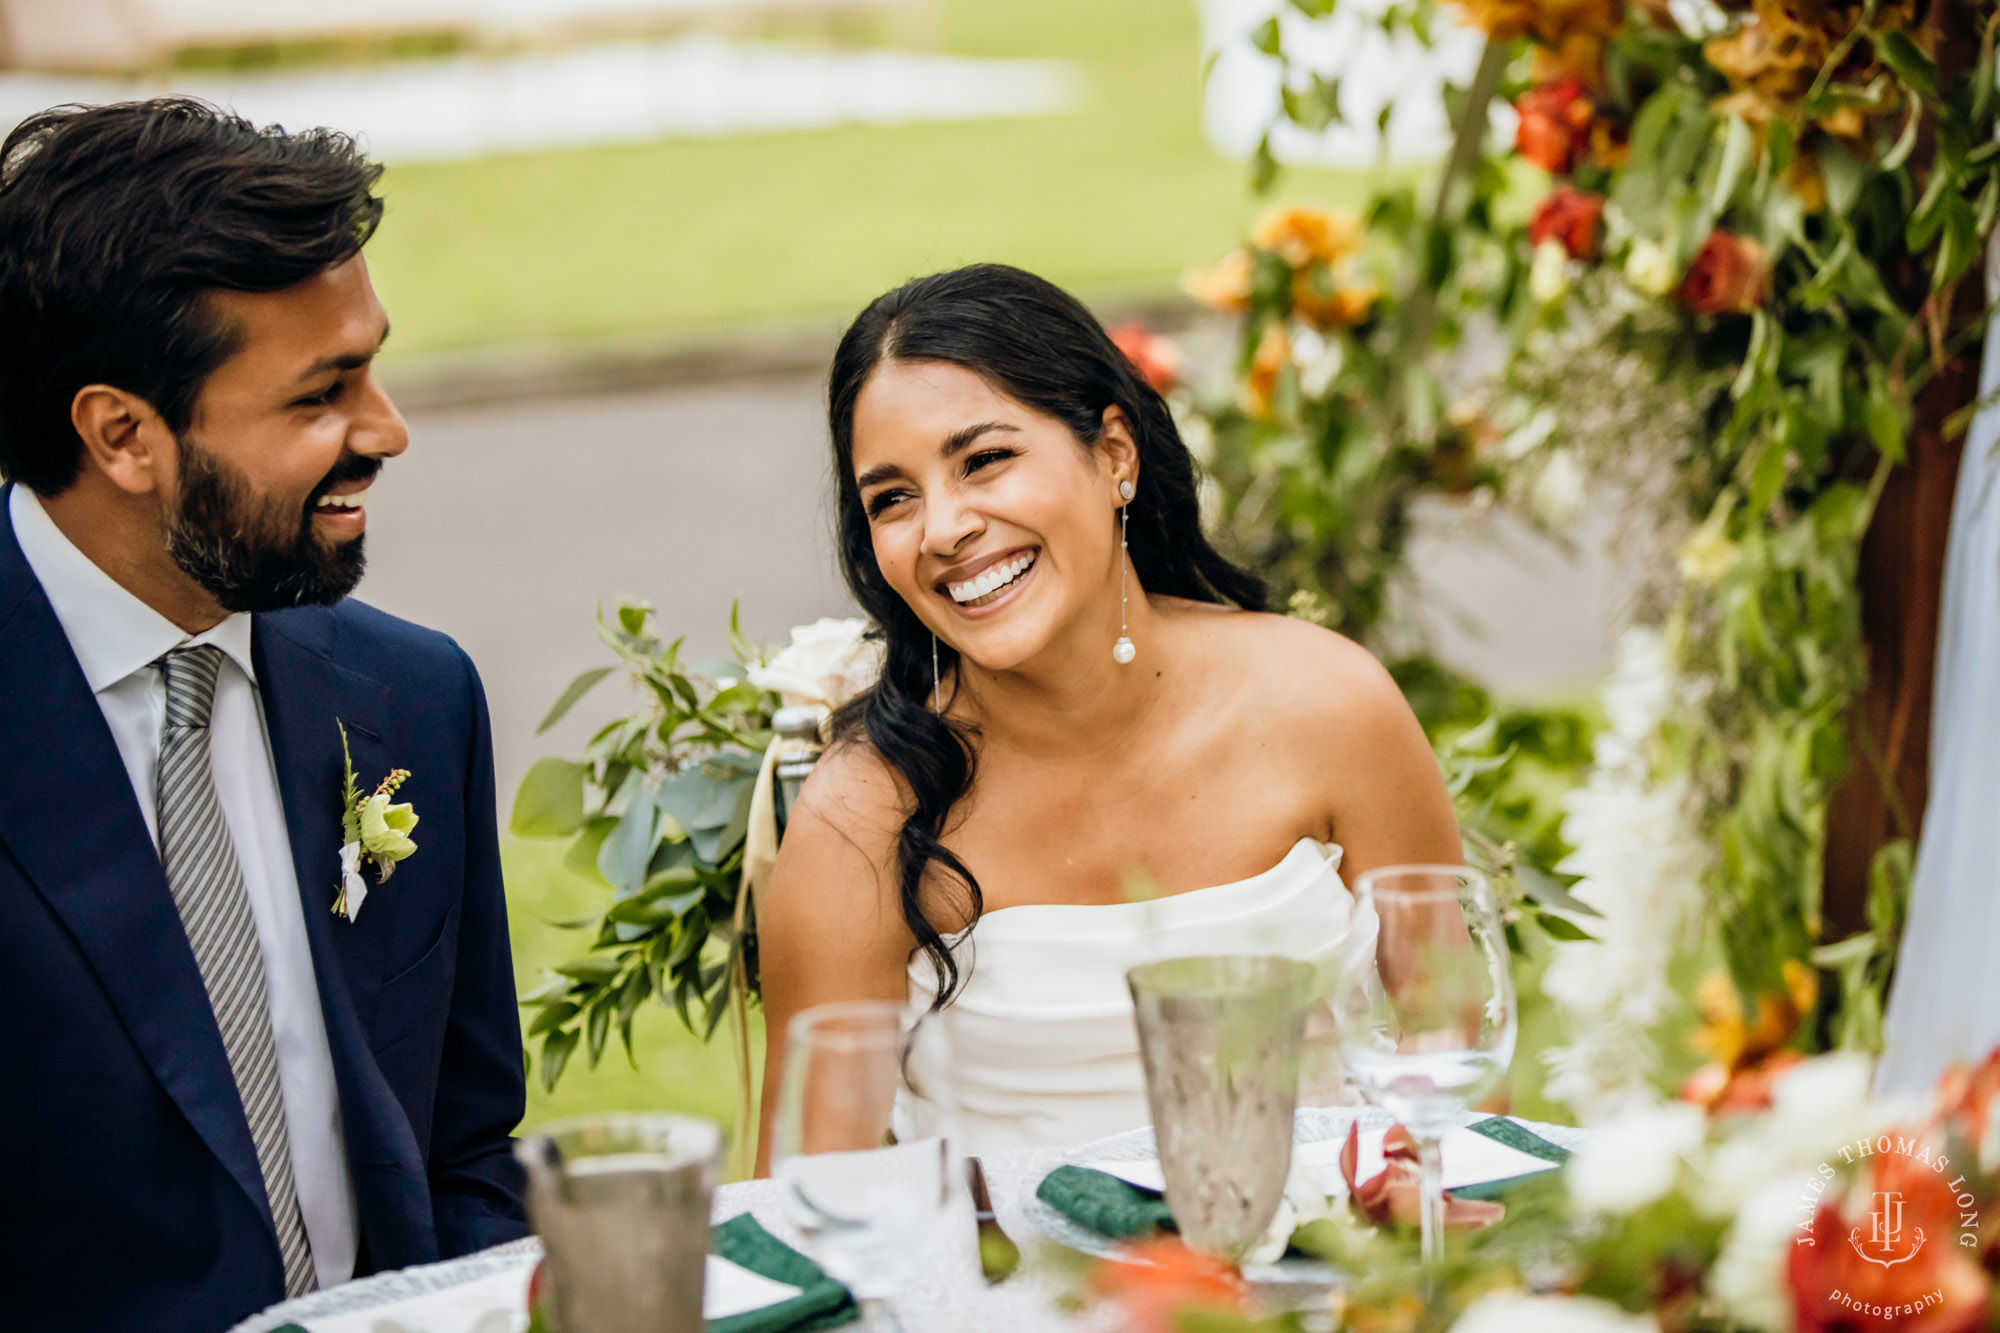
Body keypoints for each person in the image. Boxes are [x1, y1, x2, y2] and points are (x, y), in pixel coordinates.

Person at [0, 100, 528, 1330]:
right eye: (318, 396)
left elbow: (467, 1147)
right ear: (121, 433)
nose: (386, 429)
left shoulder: (416, 698)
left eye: (373, 364)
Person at [756, 264, 1461, 1160]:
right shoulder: (862, 814)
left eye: (984, 460)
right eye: (892, 499)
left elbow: (1453, 1041)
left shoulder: (1329, 704)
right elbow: (808, 1197)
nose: (941, 528)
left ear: (1115, 453)